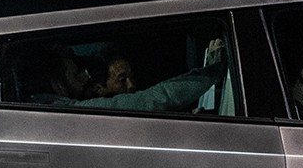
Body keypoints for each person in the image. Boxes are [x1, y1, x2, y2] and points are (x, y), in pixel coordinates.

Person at [35, 39, 228, 113]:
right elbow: (155, 100)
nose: (84, 78)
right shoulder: (67, 112)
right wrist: (212, 72)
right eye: (76, 74)